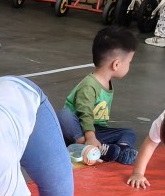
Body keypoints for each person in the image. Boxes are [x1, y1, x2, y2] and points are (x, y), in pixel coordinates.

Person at [57, 26, 139, 165]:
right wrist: (90, 136)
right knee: (64, 116)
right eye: (129, 62)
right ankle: (85, 145)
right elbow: (85, 114)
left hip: (96, 130)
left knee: (129, 133)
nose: (129, 65)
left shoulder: (106, 82)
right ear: (116, 64)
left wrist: (94, 135)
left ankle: (119, 151)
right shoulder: (89, 86)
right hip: (78, 129)